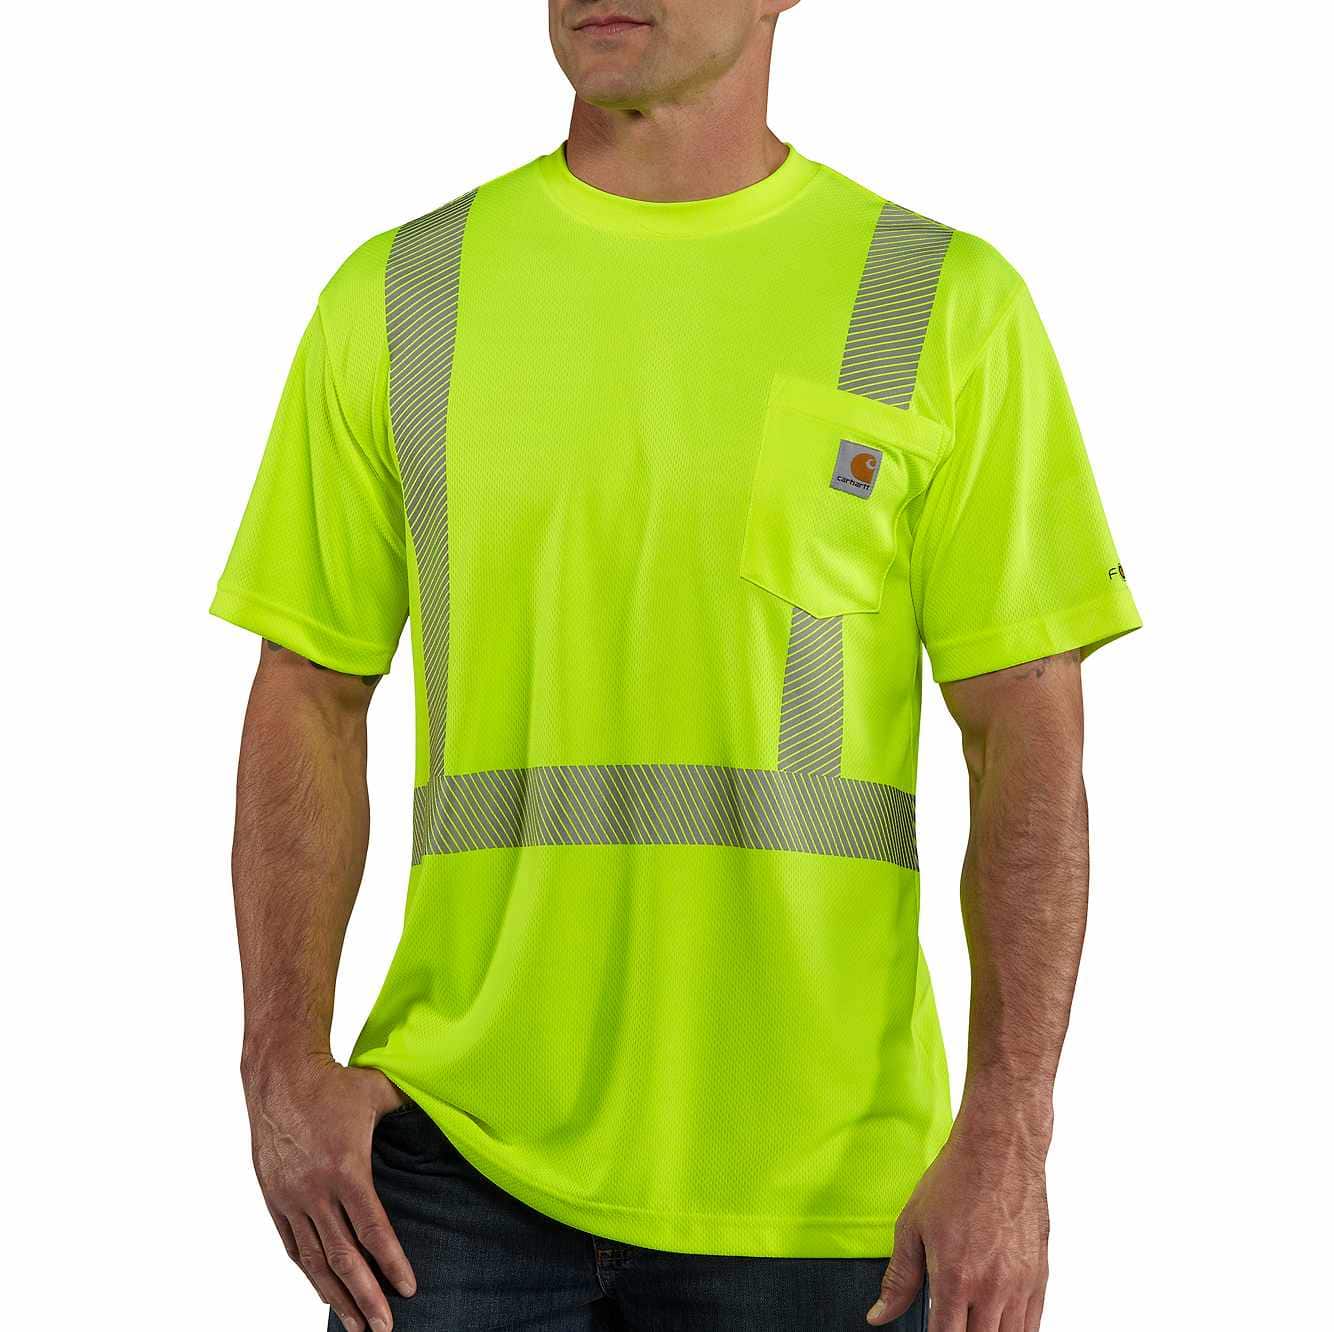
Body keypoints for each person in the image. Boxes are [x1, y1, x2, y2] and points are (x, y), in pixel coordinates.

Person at [211, 1, 1141, 1328]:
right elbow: (308, 691)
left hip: (827, 1197)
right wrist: (278, 1067)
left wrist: (1010, 1131)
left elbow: (1028, 742)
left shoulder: (938, 302)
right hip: (452, 1167)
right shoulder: (402, 294)